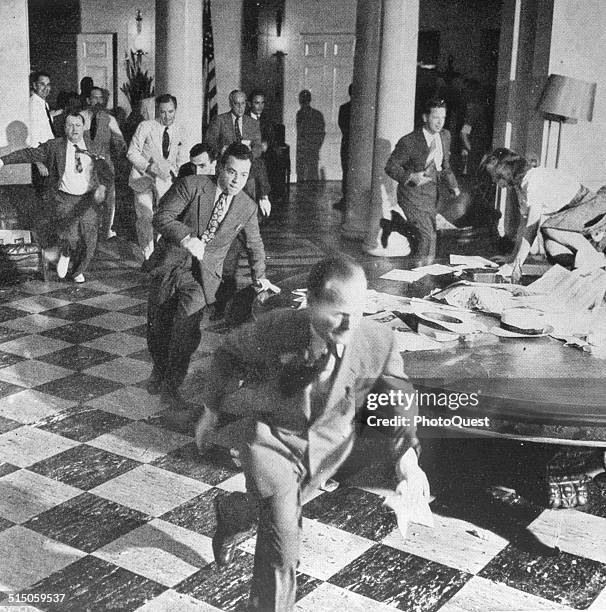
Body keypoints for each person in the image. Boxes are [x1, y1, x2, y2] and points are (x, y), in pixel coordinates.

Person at [195, 254, 428, 612]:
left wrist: (408, 460)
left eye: (358, 309)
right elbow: (228, 353)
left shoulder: (380, 341)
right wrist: (212, 409)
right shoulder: (278, 327)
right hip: (270, 439)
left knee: (272, 511)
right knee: (283, 537)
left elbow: (400, 400)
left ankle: (232, 513)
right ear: (312, 302)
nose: (350, 322)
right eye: (338, 311)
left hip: (326, 449)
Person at [146, 143, 276, 424]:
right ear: (219, 168)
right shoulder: (192, 185)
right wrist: (186, 238)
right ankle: (159, 368)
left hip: (202, 277)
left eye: (243, 175)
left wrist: (260, 277)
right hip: (170, 264)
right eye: (231, 172)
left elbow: (255, 245)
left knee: (186, 328)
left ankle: (171, 385)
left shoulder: (246, 207)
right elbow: (161, 217)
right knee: (159, 326)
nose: (235, 180)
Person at [0, 112, 112, 283]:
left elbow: (106, 171)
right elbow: (30, 154)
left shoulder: (94, 146)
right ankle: (66, 252)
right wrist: (3, 161)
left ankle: (77, 271)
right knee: (70, 235)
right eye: (69, 125)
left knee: (90, 240)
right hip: (64, 198)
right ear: (64, 128)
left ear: (83, 127)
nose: (74, 129)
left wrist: (102, 187)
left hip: (88, 200)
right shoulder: (55, 146)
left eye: (78, 125)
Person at [481, 148, 606, 281]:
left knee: (548, 227)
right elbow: (523, 225)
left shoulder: (533, 181)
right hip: (574, 217)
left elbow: (531, 228)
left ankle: (594, 257)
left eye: (495, 176)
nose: (493, 181)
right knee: (552, 249)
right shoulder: (520, 186)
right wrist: (511, 257)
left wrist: (516, 264)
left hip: (593, 208)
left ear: (506, 171)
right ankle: (592, 268)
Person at [205, 90, 271, 319]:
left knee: (250, 241)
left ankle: (248, 295)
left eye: (244, 104)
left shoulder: (253, 124)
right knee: (227, 250)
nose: (241, 107)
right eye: (237, 103)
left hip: (248, 190)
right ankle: (219, 303)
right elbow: (210, 145)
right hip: (224, 186)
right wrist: (227, 150)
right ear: (230, 103)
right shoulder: (219, 121)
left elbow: (257, 154)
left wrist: (263, 194)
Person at [385, 97, 460, 263]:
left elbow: (444, 166)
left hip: (432, 196)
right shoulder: (409, 141)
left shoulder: (445, 136)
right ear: (425, 117)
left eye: (443, 118)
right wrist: (410, 176)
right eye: (435, 118)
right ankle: (420, 274)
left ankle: (425, 271)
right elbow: (390, 166)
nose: (440, 123)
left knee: (431, 236)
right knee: (427, 236)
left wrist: (453, 186)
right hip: (412, 195)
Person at [127, 93, 187, 266]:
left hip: (165, 180)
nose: (167, 116)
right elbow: (131, 152)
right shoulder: (145, 126)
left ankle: (159, 257)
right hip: (142, 177)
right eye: (163, 112)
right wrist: (147, 167)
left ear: (175, 110)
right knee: (145, 216)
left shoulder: (180, 129)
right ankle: (148, 257)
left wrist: (177, 174)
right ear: (157, 111)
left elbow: (180, 157)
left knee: (165, 217)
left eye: (170, 111)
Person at [81, 86, 127, 239]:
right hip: (85, 167)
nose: (98, 101)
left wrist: (119, 143)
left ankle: (106, 232)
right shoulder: (80, 117)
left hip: (105, 165)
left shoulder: (110, 119)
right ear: (88, 100)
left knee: (108, 200)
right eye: (95, 98)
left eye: (101, 98)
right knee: (86, 200)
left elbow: (121, 141)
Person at [28, 71, 58, 194]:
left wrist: (54, 114)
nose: (46, 88)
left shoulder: (42, 103)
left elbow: (44, 124)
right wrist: (39, 163)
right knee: (43, 194)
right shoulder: (33, 105)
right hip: (40, 157)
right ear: (35, 86)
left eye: (48, 84)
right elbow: (31, 137)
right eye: (42, 84)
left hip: (48, 154)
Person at [295, 89, 325, 182]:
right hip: (306, 149)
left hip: (309, 149)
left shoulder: (314, 114)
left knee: (309, 175)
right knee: (306, 174)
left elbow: (321, 133)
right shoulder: (301, 114)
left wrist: (315, 145)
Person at [335, 84, 352, 211]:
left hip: (350, 142)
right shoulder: (344, 108)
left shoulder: (360, 108)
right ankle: (346, 198)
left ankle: (350, 198)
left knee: (348, 170)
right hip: (347, 142)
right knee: (346, 170)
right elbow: (342, 124)